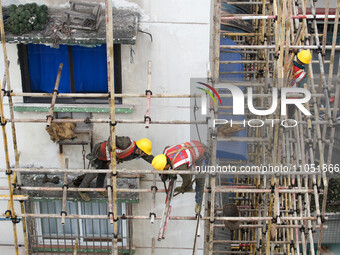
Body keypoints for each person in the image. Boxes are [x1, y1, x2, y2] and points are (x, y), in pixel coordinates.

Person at [78, 136, 154, 201]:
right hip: (100, 151)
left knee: (103, 172)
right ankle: (82, 189)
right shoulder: (126, 142)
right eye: (144, 153)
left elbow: (150, 159)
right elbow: (112, 138)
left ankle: (99, 188)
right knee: (94, 173)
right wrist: (112, 151)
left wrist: (161, 165)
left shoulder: (137, 153)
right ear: (140, 149)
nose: (144, 155)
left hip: (107, 157)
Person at [151, 140, 208, 214]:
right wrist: (167, 174)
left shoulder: (179, 166)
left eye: (164, 169)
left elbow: (187, 180)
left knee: (199, 180)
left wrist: (182, 188)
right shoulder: (166, 151)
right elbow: (168, 150)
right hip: (193, 144)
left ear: (166, 165)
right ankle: (189, 187)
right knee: (187, 170)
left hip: (200, 152)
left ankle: (198, 203)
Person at [287, 49, 312, 118]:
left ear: (297, 57)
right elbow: (302, 88)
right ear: (305, 63)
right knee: (290, 116)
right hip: (293, 97)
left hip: (281, 93)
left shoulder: (288, 64)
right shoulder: (303, 75)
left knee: (280, 114)